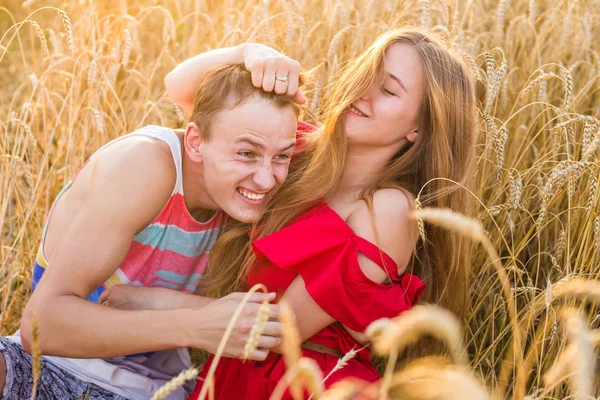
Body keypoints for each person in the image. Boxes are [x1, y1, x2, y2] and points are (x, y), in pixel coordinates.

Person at [117, 27, 477, 399]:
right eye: (366, 76)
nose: (363, 93)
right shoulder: (293, 153)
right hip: (235, 365)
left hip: (304, 382)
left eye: (387, 90)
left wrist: (156, 301)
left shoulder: (387, 207)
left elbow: (283, 329)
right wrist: (248, 52)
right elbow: (181, 88)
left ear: (420, 127)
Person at [0, 64, 303, 400]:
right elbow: (41, 325)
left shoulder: (242, 183)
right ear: (195, 142)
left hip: (146, 391)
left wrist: (162, 303)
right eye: (247, 154)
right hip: (40, 365)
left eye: (282, 156)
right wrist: (195, 325)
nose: (266, 179)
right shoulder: (146, 164)